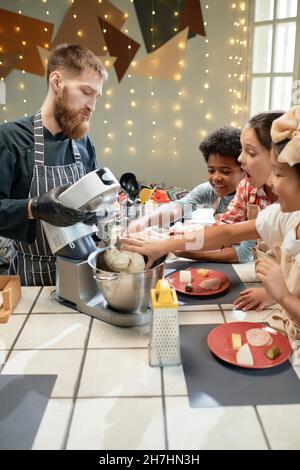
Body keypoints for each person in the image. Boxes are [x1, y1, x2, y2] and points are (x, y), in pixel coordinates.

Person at [121, 107, 300, 338]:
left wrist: (281, 295)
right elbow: (226, 233)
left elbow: (239, 248)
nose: (272, 184)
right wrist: (165, 244)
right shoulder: (284, 214)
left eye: (279, 173)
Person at [0, 44, 108, 286]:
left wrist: (99, 211)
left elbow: (96, 199)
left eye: (96, 97)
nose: (92, 106)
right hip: (31, 280)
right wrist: (34, 208)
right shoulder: (10, 139)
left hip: (83, 275)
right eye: (86, 91)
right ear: (57, 82)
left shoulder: (83, 143)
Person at [127, 127, 255, 263]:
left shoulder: (252, 200)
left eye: (225, 171)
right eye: (211, 170)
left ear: (244, 170)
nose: (216, 177)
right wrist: (144, 221)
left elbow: (244, 254)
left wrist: (189, 254)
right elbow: (180, 206)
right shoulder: (211, 190)